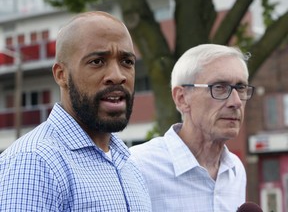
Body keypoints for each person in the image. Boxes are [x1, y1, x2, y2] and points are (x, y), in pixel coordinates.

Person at [0, 11, 151, 211]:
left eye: (127, 62)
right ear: (61, 75)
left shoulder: (127, 163)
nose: (117, 76)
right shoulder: (34, 162)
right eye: (97, 61)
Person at [130, 44, 255, 212]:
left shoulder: (235, 169)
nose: (236, 102)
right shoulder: (138, 166)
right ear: (182, 98)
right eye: (219, 88)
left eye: (240, 88)